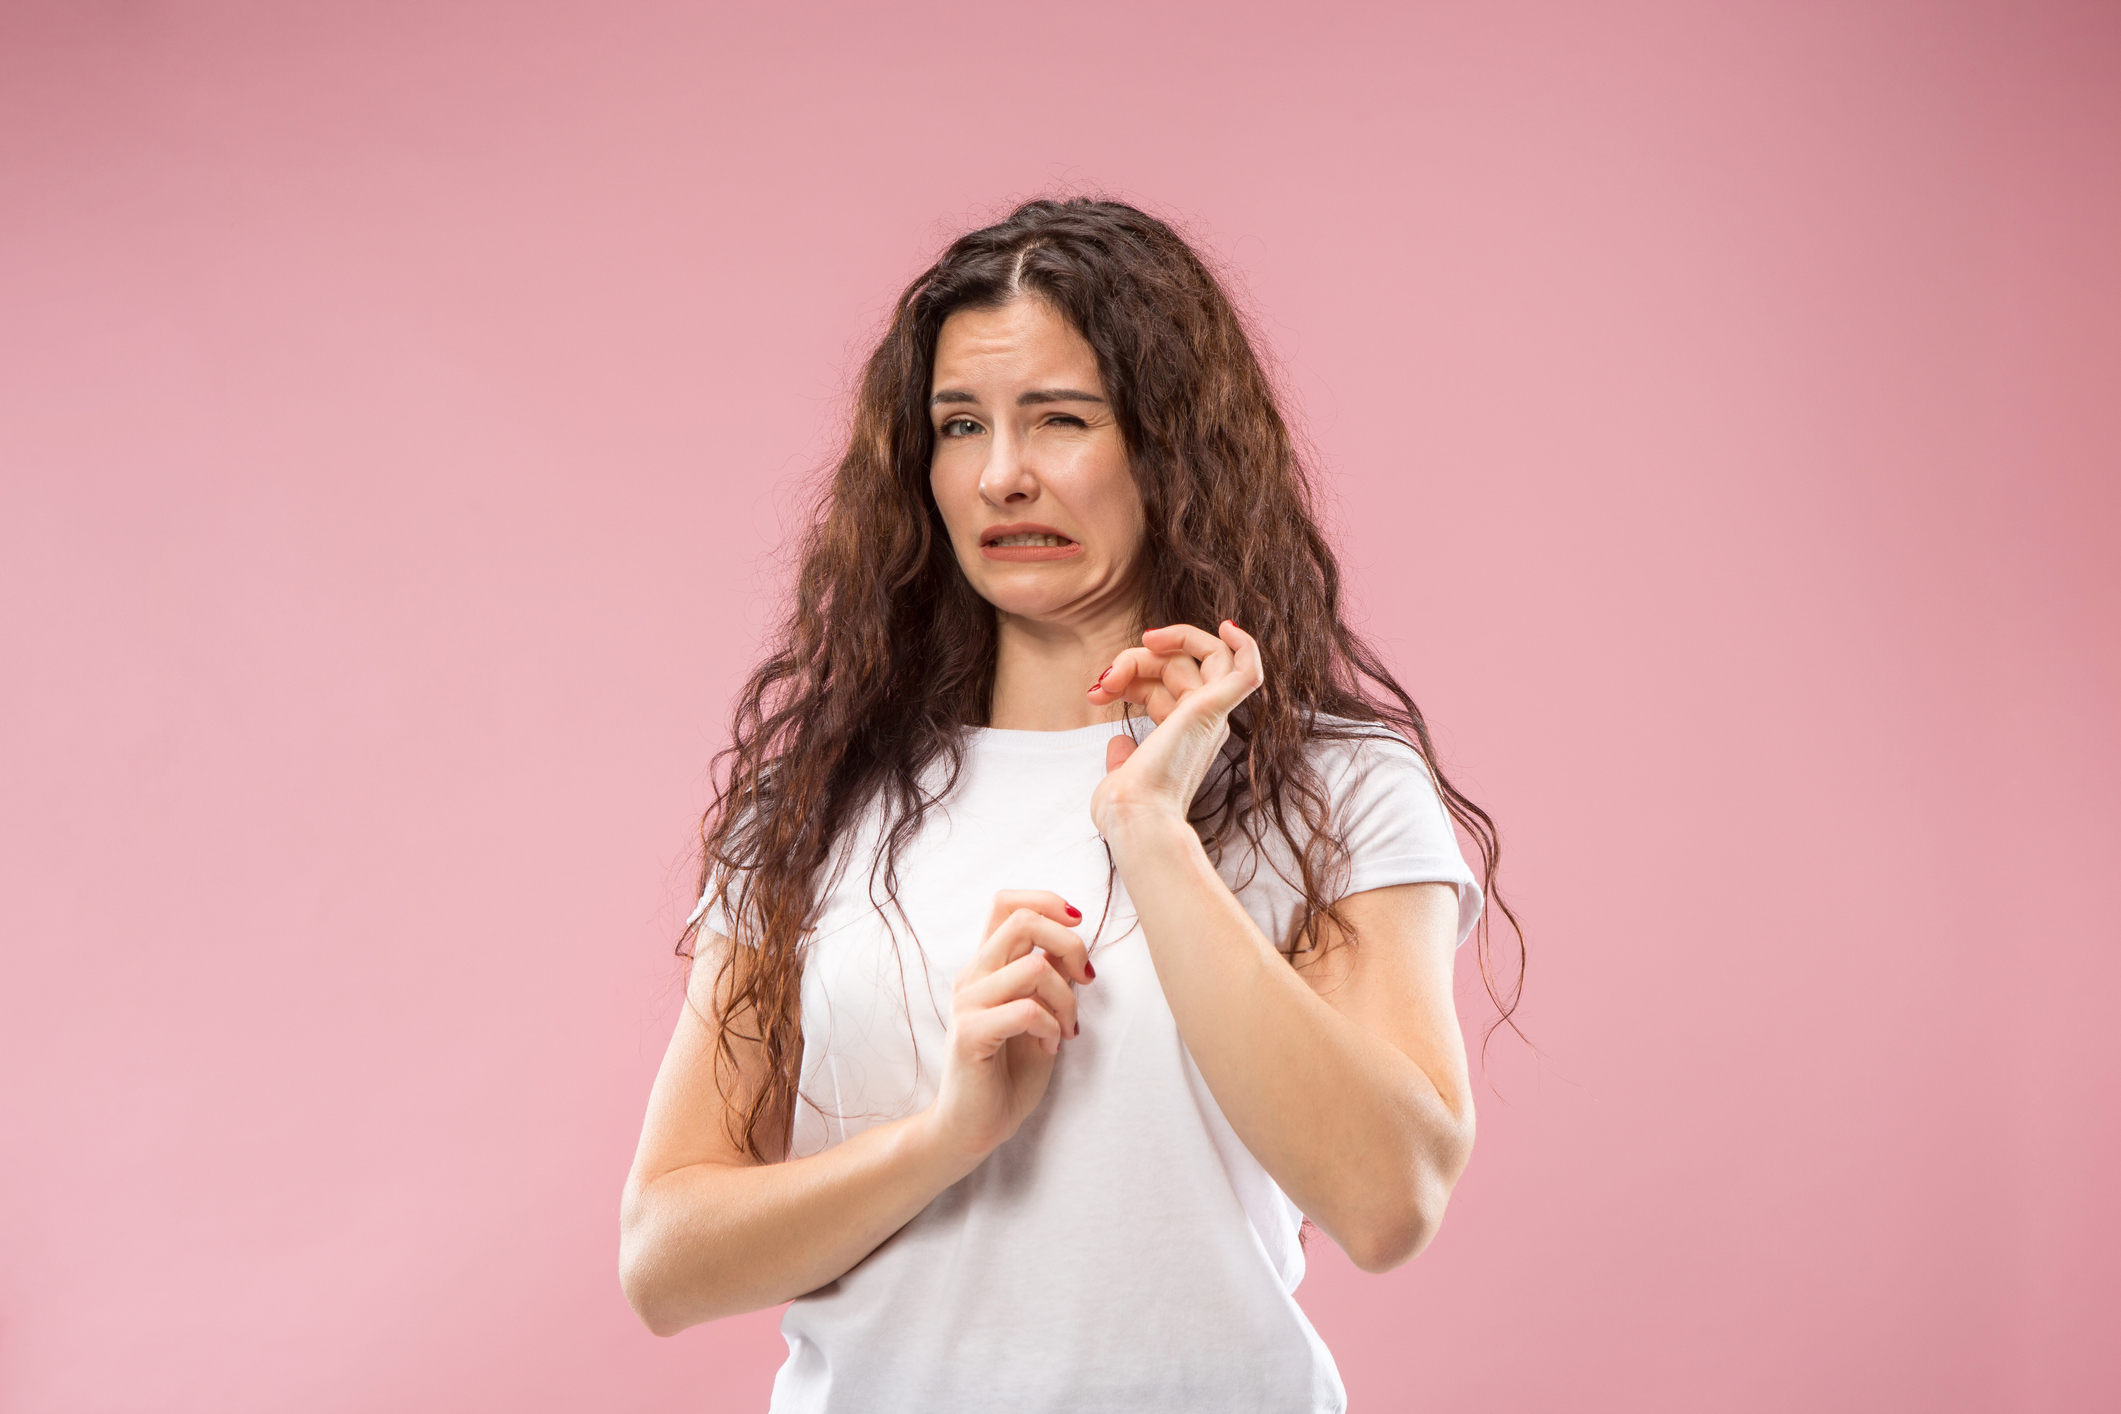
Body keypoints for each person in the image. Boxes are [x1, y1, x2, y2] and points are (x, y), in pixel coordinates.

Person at [620, 197, 1519, 1413]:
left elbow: (1388, 1196)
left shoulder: (1333, 786)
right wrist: (948, 1134)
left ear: (1168, 443)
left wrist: (1151, 832)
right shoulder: (822, 801)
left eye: (1060, 418)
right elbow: (666, 1256)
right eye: (959, 424)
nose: (1002, 474)